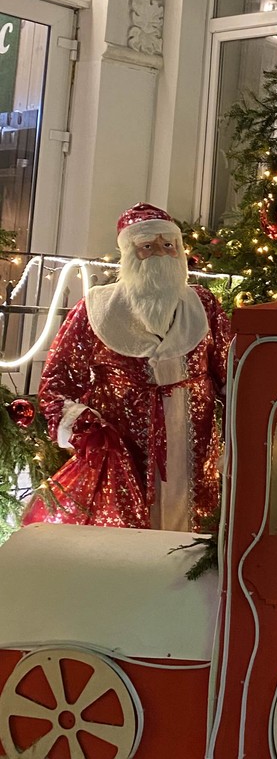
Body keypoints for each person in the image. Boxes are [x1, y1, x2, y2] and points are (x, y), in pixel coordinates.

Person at [33, 203, 231, 531]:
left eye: (168, 245)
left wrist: (240, 434)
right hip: (125, 456)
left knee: (191, 538)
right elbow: (56, 382)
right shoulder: (96, 308)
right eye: (147, 246)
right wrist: (83, 427)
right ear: (129, 253)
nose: (160, 253)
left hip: (195, 450)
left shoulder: (204, 305)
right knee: (129, 540)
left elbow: (231, 376)